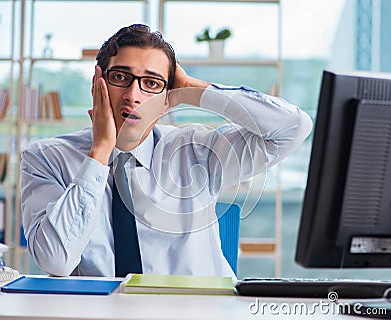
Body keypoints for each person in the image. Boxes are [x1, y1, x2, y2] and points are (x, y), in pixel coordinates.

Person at [20, 24, 312, 278]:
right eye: (121, 77)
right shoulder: (46, 158)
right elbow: (56, 260)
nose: (133, 96)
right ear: (99, 83)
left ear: (167, 100)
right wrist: (100, 152)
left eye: (151, 83)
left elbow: (293, 127)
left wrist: (190, 87)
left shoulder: (195, 153)